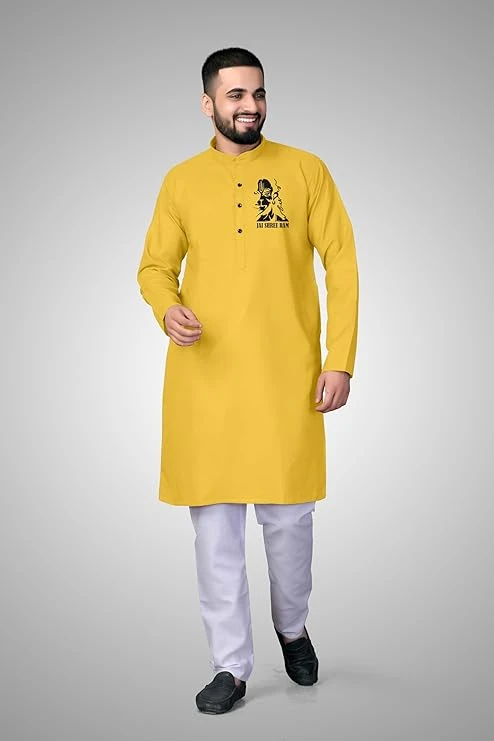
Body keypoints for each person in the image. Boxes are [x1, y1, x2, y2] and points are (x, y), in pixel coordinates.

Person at [136, 47, 359, 714]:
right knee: (216, 536)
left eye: (257, 93)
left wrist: (340, 359)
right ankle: (231, 666)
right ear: (208, 103)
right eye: (235, 95)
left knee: (290, 526)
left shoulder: (304, 170)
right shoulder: (181, 181)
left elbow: (341, 263)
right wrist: (166, 307)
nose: (250, 106)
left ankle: (293, 628)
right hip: (206, 385)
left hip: (287, 380)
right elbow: (154, 266)